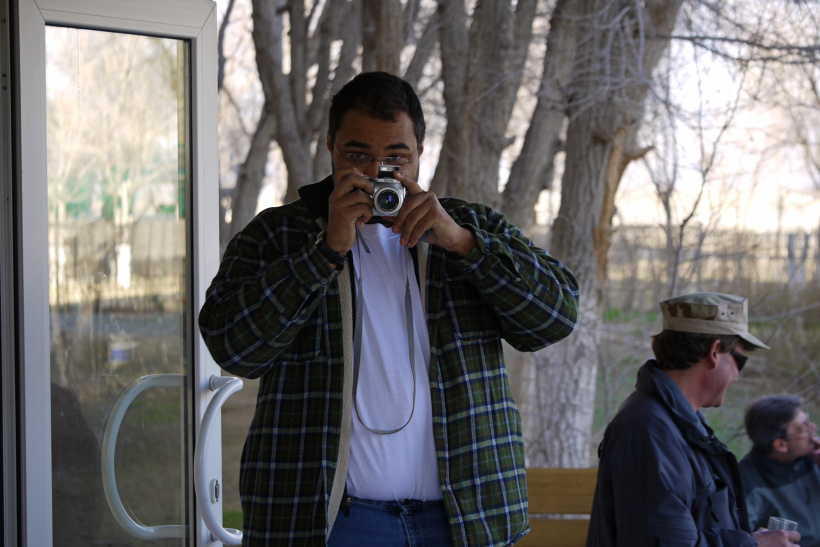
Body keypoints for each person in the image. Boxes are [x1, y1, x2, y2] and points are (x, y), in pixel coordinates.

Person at [198, 71, 579, 546]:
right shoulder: (277, 235)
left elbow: (557, 316)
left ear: (420, 151)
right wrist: (323, 252)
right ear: (331, 146)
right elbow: (233, 349)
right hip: (328, 525)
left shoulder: (467, 226)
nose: (377, 171)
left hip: (464, 521)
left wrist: (464, 245)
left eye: (396, 158)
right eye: (358, 155)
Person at [586, 292, 800, 547]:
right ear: (715, 351)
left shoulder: (675, 421)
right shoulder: (650, 431)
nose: (737, 376)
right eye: (740, 360)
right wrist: (755, 545)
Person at [740, 395, 820, 546]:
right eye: (804, 427)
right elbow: (739, 540)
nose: (813, 428)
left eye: (808, 421)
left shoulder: (813, 456)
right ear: (781, 445)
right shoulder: (746, 483)